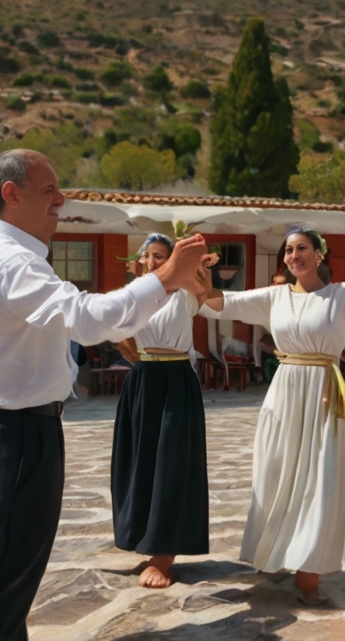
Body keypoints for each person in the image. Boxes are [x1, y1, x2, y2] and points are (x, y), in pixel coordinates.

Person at [0, 149, 207, 640]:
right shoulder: (11, 262)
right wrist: (166, 277)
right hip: (17, 435)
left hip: (19, 431)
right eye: (49, 191)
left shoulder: (12, 259)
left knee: (9, 580)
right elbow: (87, 320)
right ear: (12, 193)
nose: (61, 200)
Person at [199, 227, 345, 604]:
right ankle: (273, 551)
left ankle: (310, 568)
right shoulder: (273, 297)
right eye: (289, 250)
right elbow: (215, 302)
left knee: (318, 478)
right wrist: (203, 267)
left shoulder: (340, 295)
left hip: (324, 391)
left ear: (319, 254)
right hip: (285, 390)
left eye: (302, 248)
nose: (294, 256)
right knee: (274, 472)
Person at [110, 233, 213, 589]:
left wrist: (196, 263)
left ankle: (164, 554)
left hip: (175, 381)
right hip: (142, 380)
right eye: (148, 256)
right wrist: (136, 357)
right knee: (140, 463)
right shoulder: (134, 294)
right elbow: (118, 335)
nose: (152, 262)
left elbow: (204, 290)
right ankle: (143, 536)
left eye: (160, 257)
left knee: (171, 465)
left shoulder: (184, 293)